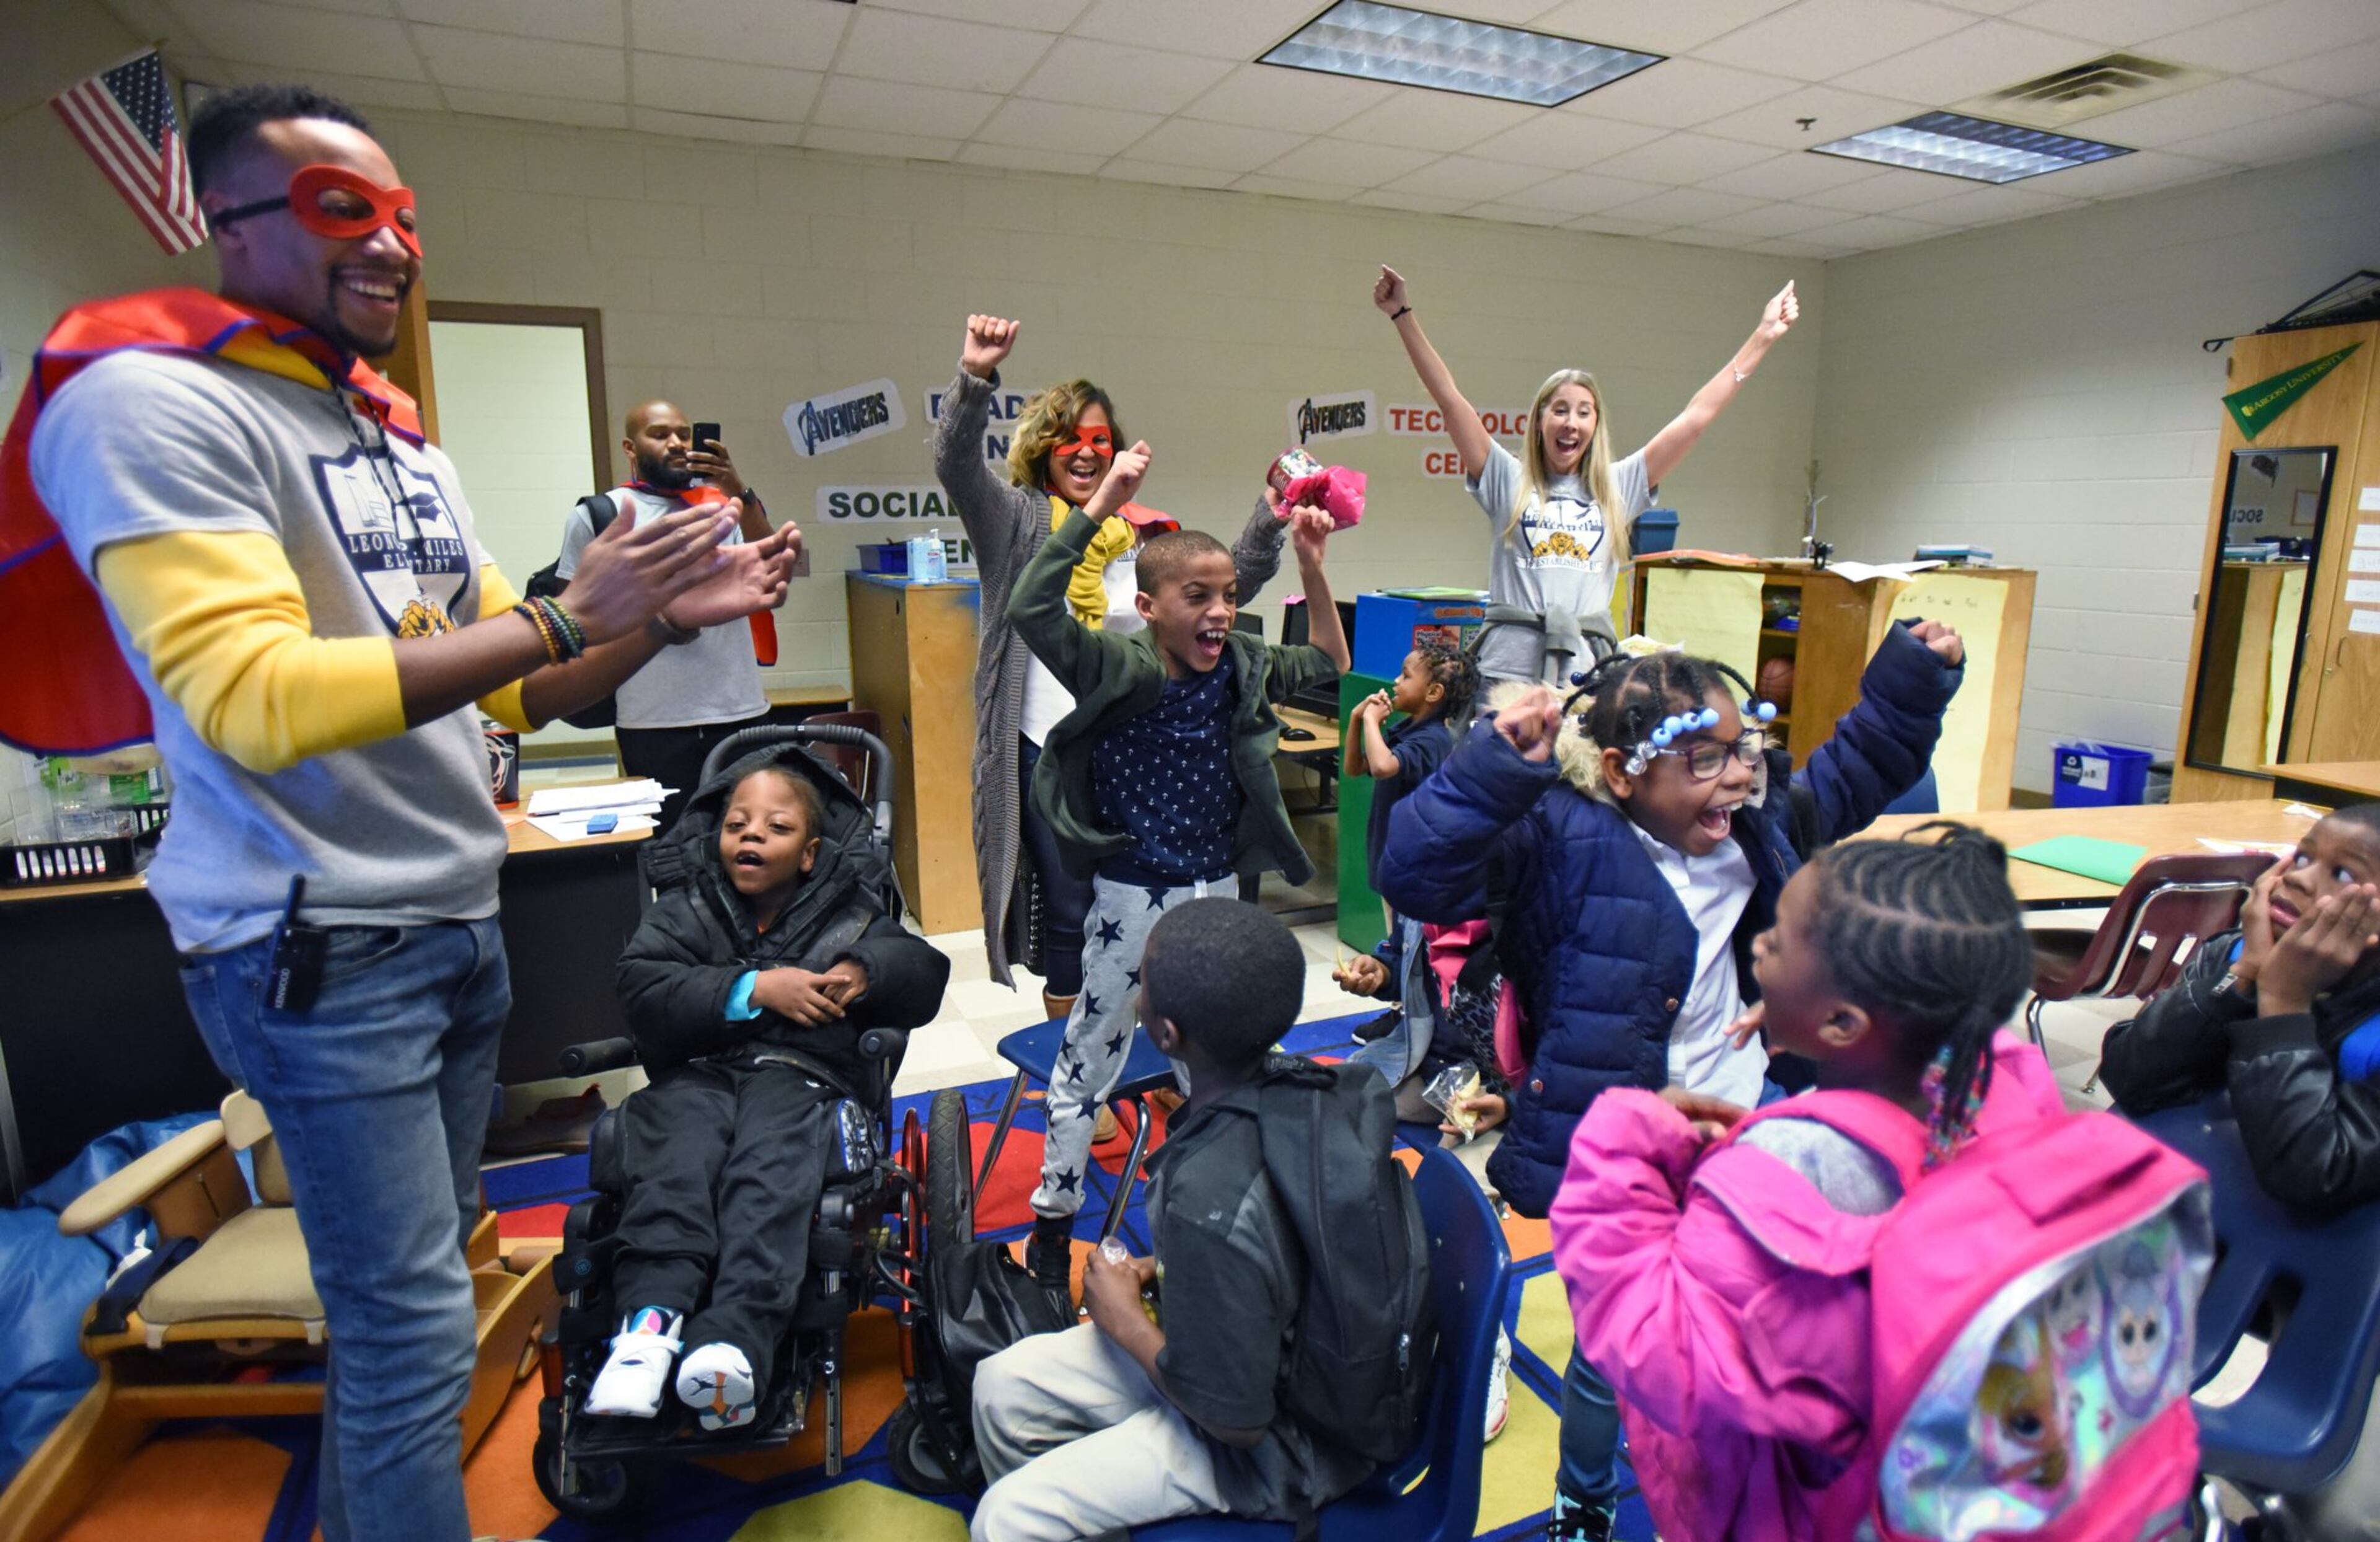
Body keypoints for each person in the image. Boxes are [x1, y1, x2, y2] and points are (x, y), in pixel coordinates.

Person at [10, 85, 796, 1542]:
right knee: (406, 1323)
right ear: (223, 220)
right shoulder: (153, 403)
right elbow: (254, 695)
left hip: (446, 917)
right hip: (316, 940)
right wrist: (573, 605)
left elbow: (521, 693)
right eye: (336, 208)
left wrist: (663, 616)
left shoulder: (392, 438)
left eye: (403, 217)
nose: (389, 244)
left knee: (427, 1287)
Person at [1376, 626, 1962, 1541]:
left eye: (1743, 751)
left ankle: (1751, 1467)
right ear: (1619, 772)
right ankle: (1584, 1500)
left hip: (1745, 1114)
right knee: (1615, 1352)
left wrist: (1913, 675)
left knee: (1766, 1309)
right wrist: (1492, 767)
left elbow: (1860, 765)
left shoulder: (1761, 825)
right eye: (1701, 759)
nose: (1734, 777)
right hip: (1614, 1137)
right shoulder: (1554, 837)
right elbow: (1414, 870)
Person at [1549, 827, 2057, 1541]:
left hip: (1776, 1509)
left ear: (1846, 1021)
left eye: (1780, 943)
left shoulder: (1780, 1167)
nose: (1757, 949)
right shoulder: (2008, 1082)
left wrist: (1624, 1141)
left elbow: (1649, 1345)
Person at [1007, 438, 1347, 1295]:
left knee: (1217, 1061)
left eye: (1230, 596)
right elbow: (1030, 605)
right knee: (1092, 1052)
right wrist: (1102, 503)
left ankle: (1203, 1213)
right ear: (1148, 606)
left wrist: (1309, 562)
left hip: (1217, 896)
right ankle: (1054, 1219)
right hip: (1133, 895)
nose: (1221, 611)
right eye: (1198, 597)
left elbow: (1334, 667)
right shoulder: (1115, 664)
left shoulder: (1240, 666)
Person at [970, 898, 1405, 1541]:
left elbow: (1236, 1419)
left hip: (1283, 1443)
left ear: (1164, 1033)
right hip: (1295, 1356)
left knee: (1006, 1519)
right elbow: (1272, 1245)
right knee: (999, 1383)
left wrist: (1122, 1319)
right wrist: (1178, 1272)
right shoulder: (1317, 1082)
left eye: (1143, 981)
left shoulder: (1205, 1192)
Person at [932, 314, 1289, 1021]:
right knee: (1069, 910)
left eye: (1102, 439)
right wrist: (974, 378)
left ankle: (1155, 1046)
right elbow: (954, 464)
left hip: (1136, 746)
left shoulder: (1147, 530)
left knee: (1147, 901)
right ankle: (1077, 1070)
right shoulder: (1017, 518)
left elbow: (1221, 587)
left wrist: (1272, 516)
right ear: (1042, 448)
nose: (1088, 452)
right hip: (1046, 746)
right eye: (1072, 438)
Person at [590, 751, 947, 1430]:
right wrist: (753, 988)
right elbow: (641, 984)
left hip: (802, 1077)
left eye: (775, 827)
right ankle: (648, 1325)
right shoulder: (686, 910)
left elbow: (922, 969)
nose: (751, 836)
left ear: (811, 853)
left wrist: (866, 971)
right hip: (698, 1072)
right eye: (737, 824)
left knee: (768, 1172)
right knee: (676, 1161)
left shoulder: (852, 916)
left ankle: (733, 1337)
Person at [2099, 801, 2380, 1541]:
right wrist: (2247, 977)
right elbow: (2131, 1073)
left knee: (2344, 1515)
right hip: (2217, 1245)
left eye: (2343, 874)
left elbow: (2316, 1171)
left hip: (2345, 1283)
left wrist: (2284, 1002)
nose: (2297, 880)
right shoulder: (2246, 953)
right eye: (2305, 855)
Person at [1373, 265, 1799, 694]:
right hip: (1507, 676)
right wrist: (1402, 315)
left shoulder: (1619, 486)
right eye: (1560, 409)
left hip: (1587, 679)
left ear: (1596, 424)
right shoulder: (1508, 479)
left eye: (1583, 411)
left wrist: (1762, 337)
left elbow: (1696, 418)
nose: (1571, 422)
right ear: (1539, 420)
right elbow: (1449, 400)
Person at [555, 402, 795, 832]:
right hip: (653, 720)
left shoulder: (723, 508)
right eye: (660, 434)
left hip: (738, 710)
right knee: (669, 851)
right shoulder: (600, 515)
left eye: (684, 434)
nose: (677, 443)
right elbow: (575, 615)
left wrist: (736, 486)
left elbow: (773, 563)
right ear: (631, 447)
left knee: (747, 846)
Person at [1333, 635, 1478, 1099]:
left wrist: (1376, 721)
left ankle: (1409, 1011)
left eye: (1405, 676)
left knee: (1411, 944)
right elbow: (1355, 766)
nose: (1395, 683)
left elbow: (1384, 768)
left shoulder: (1435, 739)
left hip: (1417, 869)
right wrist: (1359, 719)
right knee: (1397, 941)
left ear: (1434, 694)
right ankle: (1403, 1004)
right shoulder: (1410, 727)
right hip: (1391, 856)